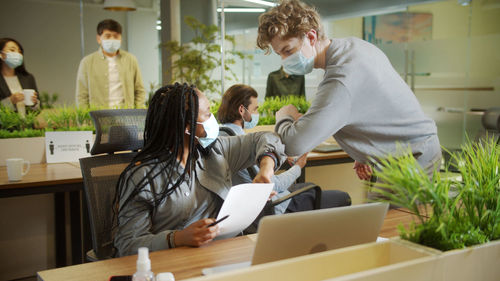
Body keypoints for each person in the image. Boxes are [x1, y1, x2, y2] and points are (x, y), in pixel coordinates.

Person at [256, 0, 441, 184]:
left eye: (288, 51)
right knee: (375, 212)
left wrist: (284, 117)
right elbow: (375, 104)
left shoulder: (340, 77)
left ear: (311, 37)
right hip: (409, 153)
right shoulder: (354, 47)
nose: (284, 60)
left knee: (382, 214)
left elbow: (294, 144)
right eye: (279, 53)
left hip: (414, 158)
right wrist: (365, 152)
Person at [113, 83, 287, 257]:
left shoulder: (217, 150)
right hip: (174, 265)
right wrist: (177, 238)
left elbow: (267, 138)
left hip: (225, 255)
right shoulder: (142, 177)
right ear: (187, 127)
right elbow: (128, 244)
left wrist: (266, 169)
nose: (213, 119)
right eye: (208, 114)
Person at [217, 84, 351, 215]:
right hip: (274, 207)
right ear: (242, 110)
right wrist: (298, 167)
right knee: (342, 197)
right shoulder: (241, 144)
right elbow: (273, 185)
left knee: (309, 186)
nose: (257, 114)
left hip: (247, 208)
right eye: (255, 109)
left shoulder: (222, 137)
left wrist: (279, 157)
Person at [76, 19, 146, 108]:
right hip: (99, 116)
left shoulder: (131, 59)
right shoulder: (87, 62)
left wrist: (139, 115)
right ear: (99, 38)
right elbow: (82, 96)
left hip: (126, 114)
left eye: (116, 36)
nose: (112, 39)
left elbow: (139, 90)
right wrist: (85, 120)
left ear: (121, 39)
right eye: (107, 36)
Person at [0, 38, 40, 113]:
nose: (17, 54)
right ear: (1, 54)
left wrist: (34, 104)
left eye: (19, 52)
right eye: (12, 50)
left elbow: (38, 110)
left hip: (26, 124)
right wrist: (10, 101)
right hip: (6, 124)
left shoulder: (28, 78)